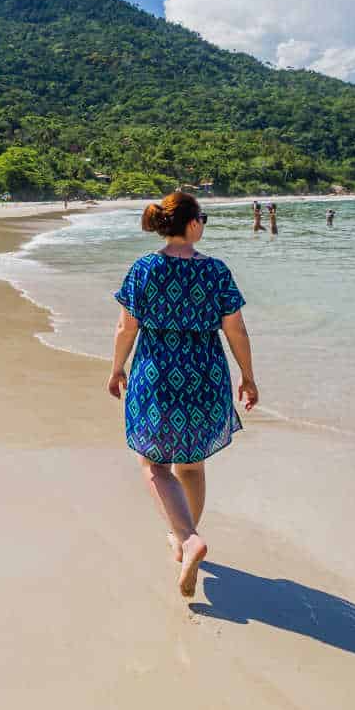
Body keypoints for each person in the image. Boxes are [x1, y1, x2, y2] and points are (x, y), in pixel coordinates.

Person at [108, 191, 258, 598]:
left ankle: (187, 538)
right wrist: (247, 377)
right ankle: (183, 538)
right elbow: (236, 329)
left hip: (156, 373)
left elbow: (126, 328)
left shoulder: (144, 269)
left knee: (154, 464)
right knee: (191, 465)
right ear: (192, 224)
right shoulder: (216, 271)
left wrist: (117, 367)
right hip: (205, 374)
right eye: (203, 218)